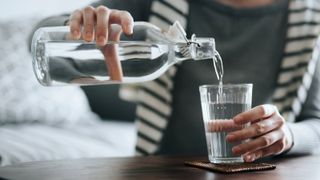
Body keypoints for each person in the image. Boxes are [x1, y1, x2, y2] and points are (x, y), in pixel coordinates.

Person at [35, 0, 320, 162]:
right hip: (164, 169)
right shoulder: (157, 3)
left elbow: (316, 123)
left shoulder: (311, 17)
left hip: (267, 173)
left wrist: (288, 135)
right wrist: (75, 27)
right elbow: (37, 37)